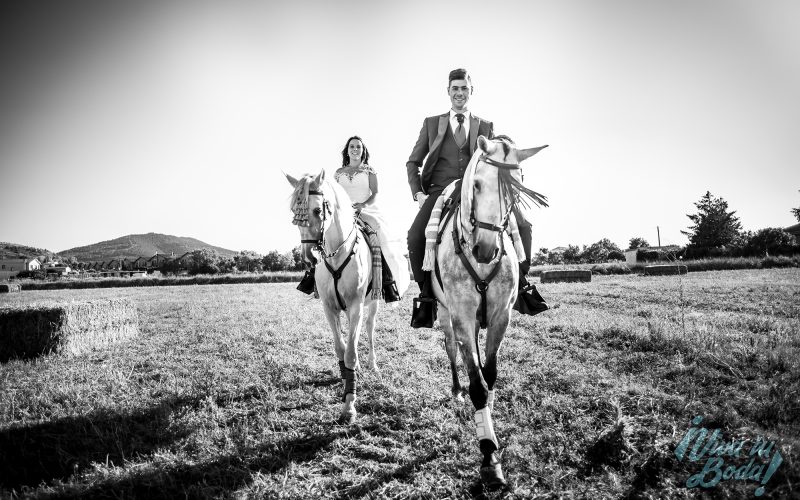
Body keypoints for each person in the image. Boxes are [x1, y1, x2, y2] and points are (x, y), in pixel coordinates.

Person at [406, 68, 547, 327]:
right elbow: (413, 162)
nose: (459, 93)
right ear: (448, 91)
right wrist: (418, 193)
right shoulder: (430, 123)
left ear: (472, 91)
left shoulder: (485, 125)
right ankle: (426, 296)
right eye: (455, 89)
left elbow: (494, 160)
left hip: (479, 188)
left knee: (524, 226)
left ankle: (522, 286)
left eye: (464, 89)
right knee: (415, 236)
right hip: (441, 191)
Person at [297, 136, 410, 303]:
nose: (355, 149)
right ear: (347, 150)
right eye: (352, 146)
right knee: (323, 235)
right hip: (343, 214)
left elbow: (375, 193)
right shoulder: (338, 173)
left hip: (366, 211)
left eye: (358, 146)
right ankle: (313, 277)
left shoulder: (369, 171)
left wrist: (362, 205)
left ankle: (387, 281)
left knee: (380, 238)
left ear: (363, 150)